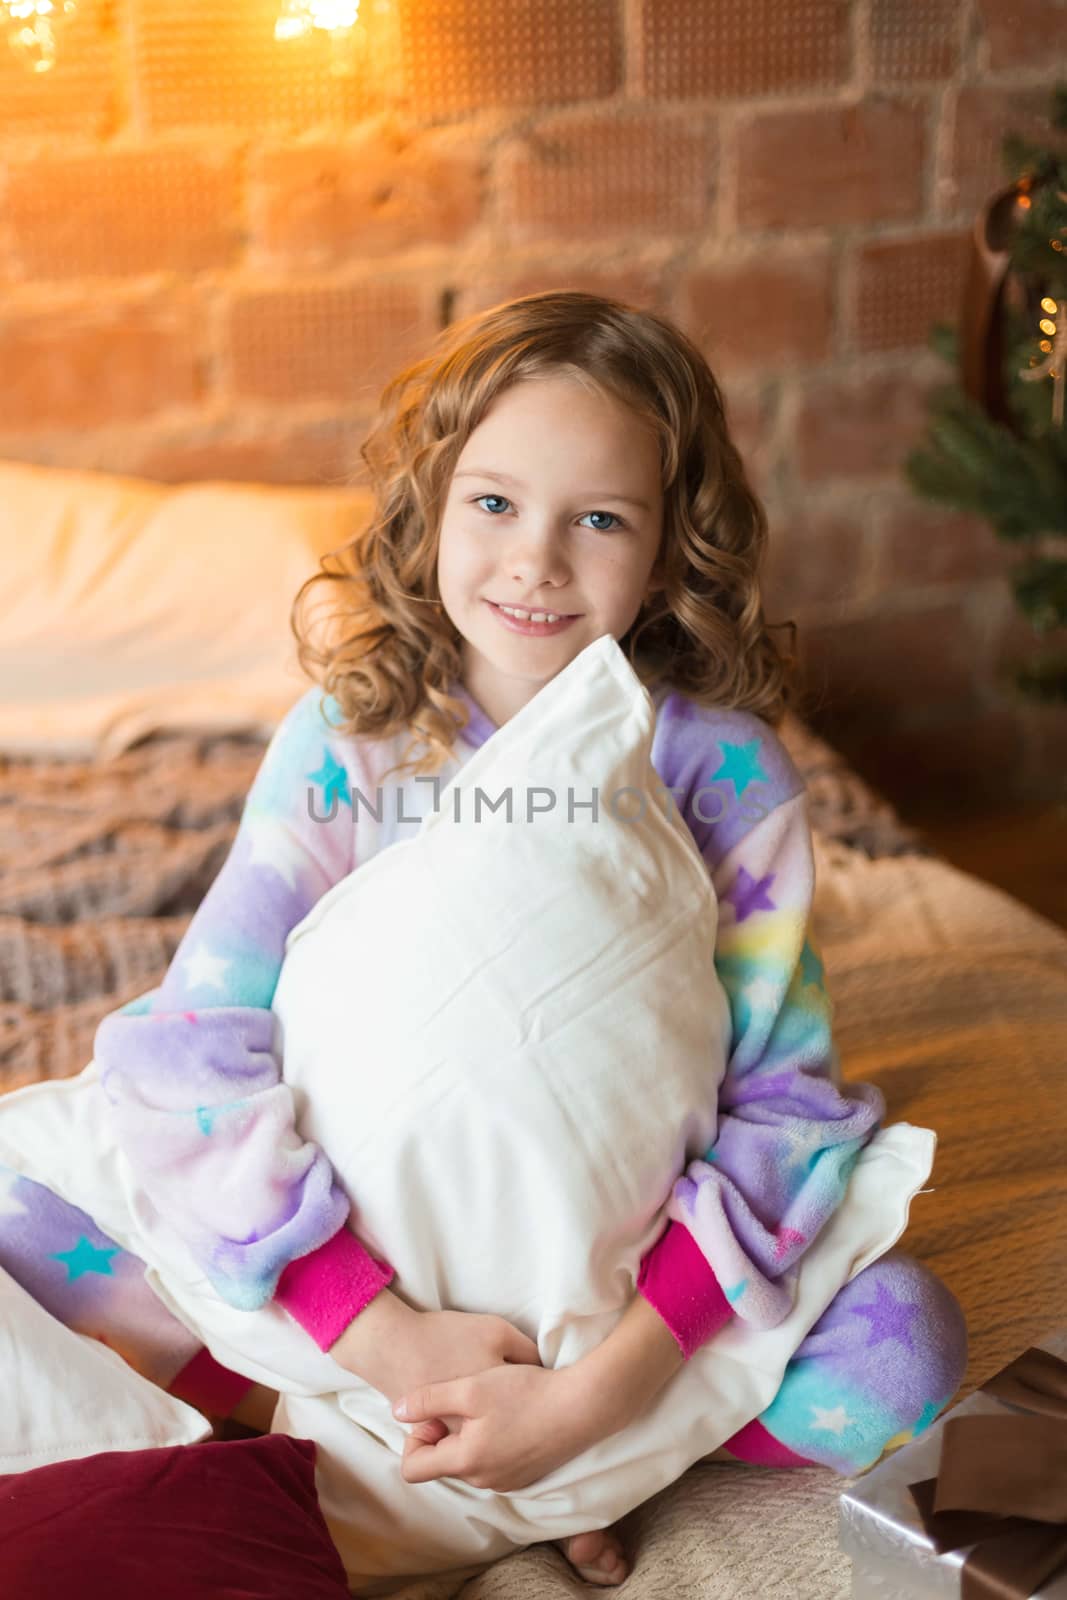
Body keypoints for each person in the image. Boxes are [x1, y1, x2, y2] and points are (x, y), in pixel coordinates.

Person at [0, 291, 967, 1589]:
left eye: (601, 520)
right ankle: (434, 1433)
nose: (536, 563)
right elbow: (195, 1042)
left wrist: (608, 1395)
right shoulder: (353, 739)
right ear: (434, 504)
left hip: (607, 1292)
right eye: (497, 504)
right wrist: (386, 1333)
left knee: (902, 1345)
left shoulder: (725, 772)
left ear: (673, 545)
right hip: (361, 1268)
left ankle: (564, 1456)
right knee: (22, 1203)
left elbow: (781, 1106)